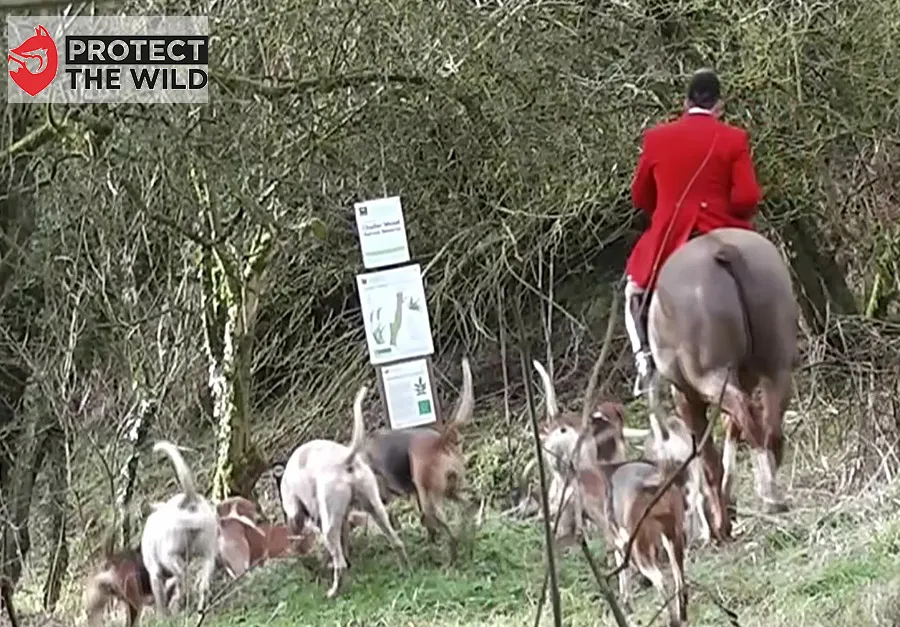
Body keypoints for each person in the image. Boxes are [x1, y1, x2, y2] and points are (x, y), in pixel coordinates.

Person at [624, 68, 763, 396]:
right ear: (720, 105)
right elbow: (747, 198)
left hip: (671, 236)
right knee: (765, 275)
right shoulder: (734, 138)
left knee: (634, 291)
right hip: (723, 230)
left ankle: (646, 364)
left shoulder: (657, 138)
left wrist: (666, 208)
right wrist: (730, 210)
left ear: (685, 102)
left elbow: (640, 196)